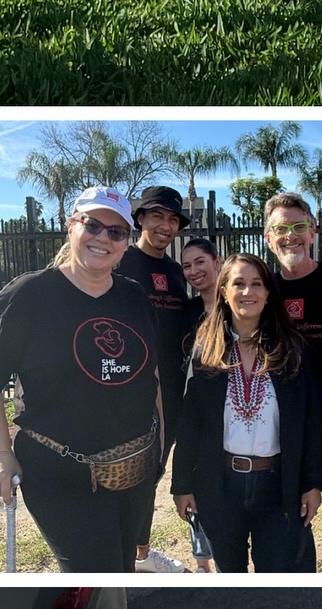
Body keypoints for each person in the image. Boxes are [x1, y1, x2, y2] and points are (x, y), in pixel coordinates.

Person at [0, 187, 162, 573]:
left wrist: (156, 455)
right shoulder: (29, 294)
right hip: (60, 472)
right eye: (92, 225)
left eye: (116, 232)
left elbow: (152, 377)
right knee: (95, 576)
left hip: (132, 468)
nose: (103, 238)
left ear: (126, 242)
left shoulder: (134, 296)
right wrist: (4, 455)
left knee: (121, 571)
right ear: (71, 226)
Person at [171, 254, 322, 574]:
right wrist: (182, 483)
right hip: (221, 485)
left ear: (268, 293)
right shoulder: (206, 349)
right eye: (238, 283)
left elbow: (310, 421)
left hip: (277, 486)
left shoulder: (291, 350)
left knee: (278, 576)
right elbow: (190, 421)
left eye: (257, 283)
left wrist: (312, 483)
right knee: (232, 578)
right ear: (224, 290)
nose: (247, 291)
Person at [260, 191, 322, 574]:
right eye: (280, 228)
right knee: (294, 514)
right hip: (285, 422)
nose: (290, 236)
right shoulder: (263, 289)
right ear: (268, 237)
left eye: (298, 226)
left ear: (312, 231)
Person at [115, 184, 192, 571]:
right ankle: (123, 554)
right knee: (128, 472)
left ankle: (138, 552)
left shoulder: (177, 273)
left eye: (173, 219)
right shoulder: (121, 263)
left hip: (174, 393)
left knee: (154, 472)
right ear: (140, 219)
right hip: (131, 392)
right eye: (157, 216)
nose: (165, 226)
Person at [178, 236, 222, 571]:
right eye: (186, 266)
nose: (194, 271)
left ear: (217, 262)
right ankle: (204, 563)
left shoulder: (240, 304)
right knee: (196, 485)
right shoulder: (187, 312)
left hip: (235, 416)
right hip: (195, 414)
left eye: (200, 262)